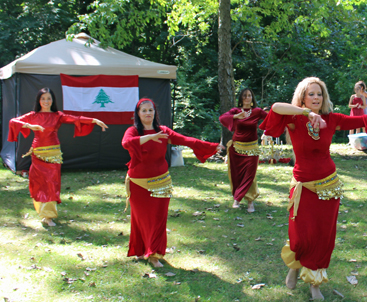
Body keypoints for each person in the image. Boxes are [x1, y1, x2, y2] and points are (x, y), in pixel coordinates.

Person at [259, 77, 367, 300]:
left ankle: (315, 283)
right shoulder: (293, 117)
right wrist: (306, 113)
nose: (316, 98)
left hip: (328, 187)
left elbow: (366, 117)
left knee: (323, 236)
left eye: (319, 94)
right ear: (302, 97)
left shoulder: (331, 119)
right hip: (303, 186)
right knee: (301, 235)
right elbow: (275, 108)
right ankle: (295, 265)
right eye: (311, 94)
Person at [122, 98, 223, 268]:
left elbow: (186, 140)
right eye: (144, 110)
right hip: (138, 183)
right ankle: (141, 250)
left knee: (158, 219)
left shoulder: (163, 131)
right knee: (140, 218)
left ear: (155, 113)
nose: (148, 113)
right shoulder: (133, 131)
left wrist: (211, 146)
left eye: (151, 110)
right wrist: (149, 137)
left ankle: (154, 254)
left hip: (161, 182)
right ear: (138, 114)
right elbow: (126, 143)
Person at [8, 87, 108, 227]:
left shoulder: (57, 115)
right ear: (39, 100)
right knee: (39, 183)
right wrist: (29, 126)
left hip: (54, 155)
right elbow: (13, 121)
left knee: (51, 183)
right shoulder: (33, 115)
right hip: (38, 154)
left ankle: (48, 216)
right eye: (43, 98)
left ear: (53, 100)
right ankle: (43, 213)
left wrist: (93, 120)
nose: (46, 101)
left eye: (49, 98)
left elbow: (76, 119)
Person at [219, 88, 267, 213]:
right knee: (238, 175)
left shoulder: (257, 111)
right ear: (241, 98)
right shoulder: (235, 111)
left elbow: (270, 119)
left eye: (249, 95)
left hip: (252, 148)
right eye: (244, 96)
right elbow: (222, 118)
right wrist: (236, 116)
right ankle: (238, 198)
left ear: (252, 98)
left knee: (250, 175)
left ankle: (248, 201)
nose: (247, 98)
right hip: (237, 148)